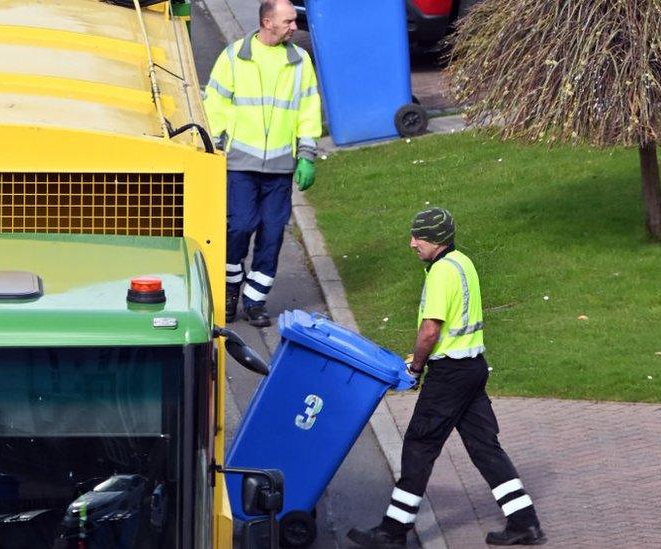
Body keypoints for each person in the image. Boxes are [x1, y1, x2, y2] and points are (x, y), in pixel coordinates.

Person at [347, 208, 546, 547]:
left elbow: (430, 330)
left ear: (436, 239)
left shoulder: (440, 273)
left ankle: (393, 532)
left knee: (419, 445)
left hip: (449, 374)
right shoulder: (463, 263)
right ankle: (525, 522)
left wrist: (415, 367)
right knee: (485, 448)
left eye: (418, 237)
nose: (412, 243)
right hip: (472, 369)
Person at [203, 0, 322, 327]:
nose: (295, 26)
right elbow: (214, 100)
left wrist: (307, 155)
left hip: (280, 169)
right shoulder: (235, 57)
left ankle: (255, 301)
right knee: (238, 227)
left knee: (272, 236)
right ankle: (229, 290)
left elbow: (309, 110)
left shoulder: (299, 62)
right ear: (267, 22)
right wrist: (222, 140)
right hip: (240, 165)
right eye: (289, 21)